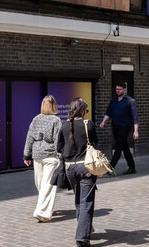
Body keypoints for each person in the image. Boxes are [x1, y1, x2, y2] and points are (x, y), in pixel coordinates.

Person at [56, 97, 99, 247]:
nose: (86, 113)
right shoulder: (89, 125)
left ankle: (85, 228)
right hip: (86, 167)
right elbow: (94, 142)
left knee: (79, 200)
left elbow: (59, 148)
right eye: (85, 110)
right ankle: (82, 238)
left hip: (69, 168)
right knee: (86, 202)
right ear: (81, 110)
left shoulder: (64, 125)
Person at [23, 95, 61, 222]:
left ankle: (42, 208)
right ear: (54, 105)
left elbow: (30, 138)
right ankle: (42, 212)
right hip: (51, 155)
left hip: (37, 155)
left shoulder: (36, 119)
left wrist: (26, 155)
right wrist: (61, 155)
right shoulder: (56, 120)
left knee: (40, 184)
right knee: (47, 184)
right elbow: (57, 141)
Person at [100, 81, 139, 175]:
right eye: (116, 89)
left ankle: (110, 168)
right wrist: (103, 122)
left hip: (125, 127)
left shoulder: (130, 101)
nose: (117, 91)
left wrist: (136, 131)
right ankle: (132, 167)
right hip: (115, 127)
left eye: (119, 89)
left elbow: (135, 117)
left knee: (118, 148)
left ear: (124, 89)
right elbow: (108, 112)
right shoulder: (113, 101)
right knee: (124, 147)